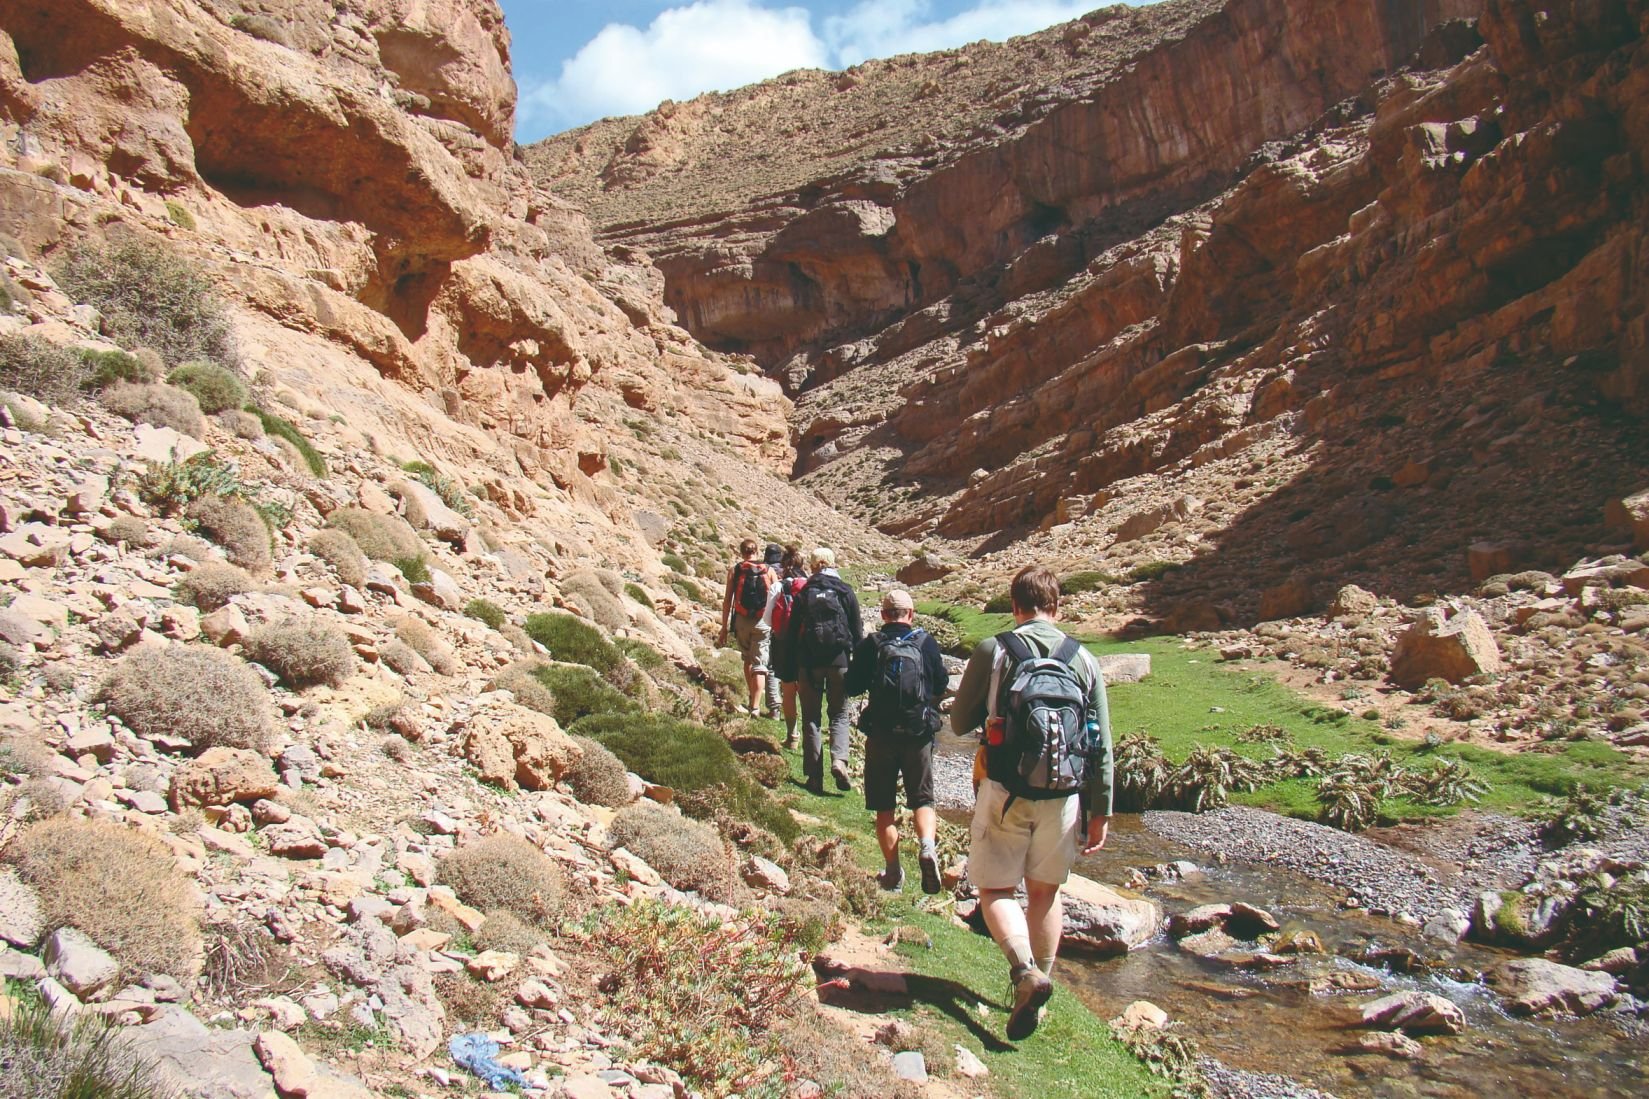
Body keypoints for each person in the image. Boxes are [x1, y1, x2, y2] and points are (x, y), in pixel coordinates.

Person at [951, 564, 1112, 1042]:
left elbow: (957, 723)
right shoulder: (1084, 658)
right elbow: (1100, 744)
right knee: (1046, 894)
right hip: (1063, 796)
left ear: (1014, 604)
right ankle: (1040, 992)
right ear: (1057, 606)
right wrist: (1100, 811)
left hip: (1004, 790)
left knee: (995, 889)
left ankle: (1024, 972)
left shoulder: (994, 649)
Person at [845, 589, 947, 893]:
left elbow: (852, 686)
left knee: (884, 807)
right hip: (918, 734)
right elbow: (940, 684)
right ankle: (927, 845)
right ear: (911, 614)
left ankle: (893, 873)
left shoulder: (872, 644)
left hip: (881, 733)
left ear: (883, 615)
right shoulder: (926, 643)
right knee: (923, 799)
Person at [777, 547, 862, 794]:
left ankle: (814, 777)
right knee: (839, 714)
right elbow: (857, 632)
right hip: (839, 661)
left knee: (811, 718)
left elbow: (792, 634)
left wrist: (789, 670)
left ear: (813, 566)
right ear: (833, 564)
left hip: (808, 662)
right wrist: (859, 669)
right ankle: (839, 760)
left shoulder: (805, 592)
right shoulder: (845, 591)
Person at [717, 538, 778, 717]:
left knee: (748, 660)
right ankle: (756, 707)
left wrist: (724, 627)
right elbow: (777, 599)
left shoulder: (735, 570)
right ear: (757, 551)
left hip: (742, 622)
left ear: (741, 552)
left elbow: (727, 601)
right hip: (763, 622)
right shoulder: (769, 570)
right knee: (760, 664)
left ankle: (752, 697)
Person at [767, 545, 810, 746]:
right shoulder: (811, 586)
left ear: (784, 566)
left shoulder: (778, 587)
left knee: (788, 690)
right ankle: (811, 736)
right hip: (806, 644)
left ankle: (792, 735)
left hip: (784, 643)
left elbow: (767, 619)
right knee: (807, 691)